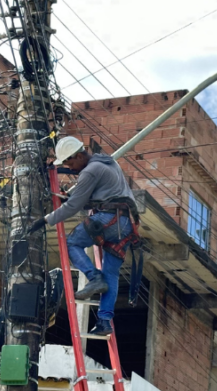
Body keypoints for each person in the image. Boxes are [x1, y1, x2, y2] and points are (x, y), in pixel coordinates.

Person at [28, 137, 137, 336]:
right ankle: (104, 321)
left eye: (69, 162)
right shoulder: (108, 162)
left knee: (72, 243)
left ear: (78, 155)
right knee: (111, 274)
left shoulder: (90, 170)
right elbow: (97, 196)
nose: (70, 168)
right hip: (126, 224)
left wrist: (44, 220)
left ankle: (93, 277)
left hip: (109, 219)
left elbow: (73, 207)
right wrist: (73, 198)